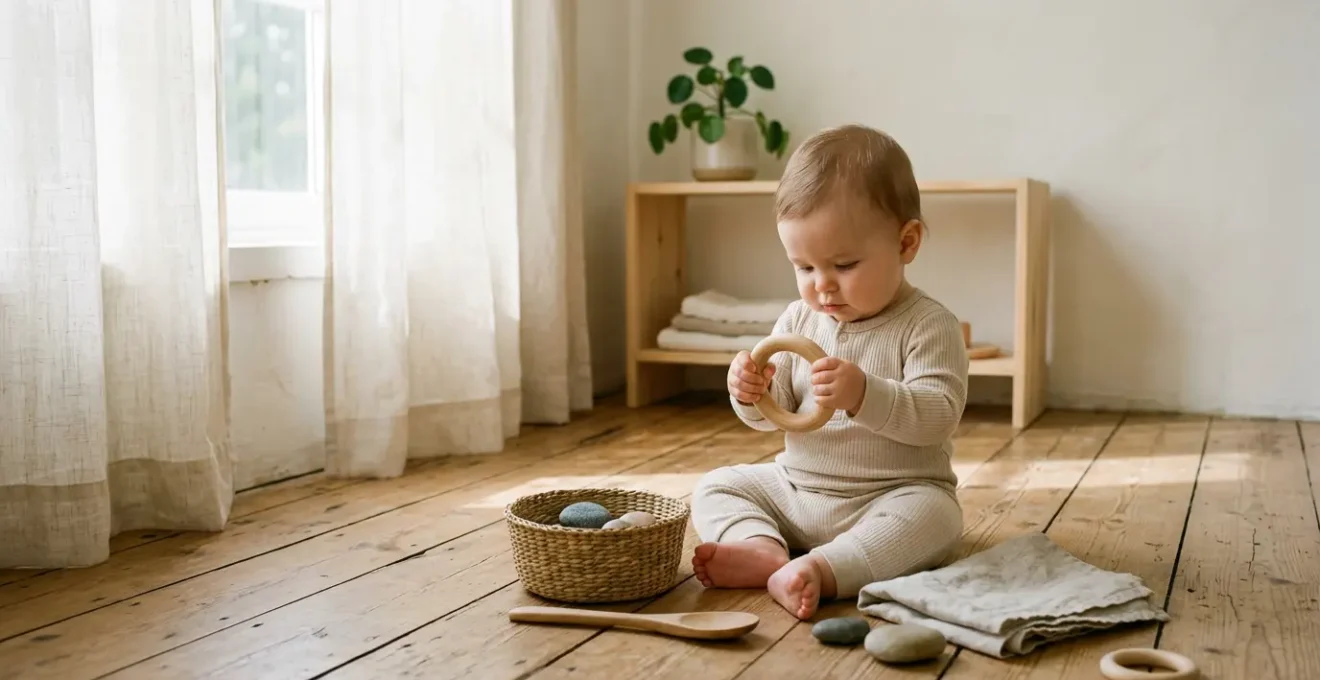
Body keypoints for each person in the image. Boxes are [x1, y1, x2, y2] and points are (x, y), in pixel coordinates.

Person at [689, 124, 969, 620]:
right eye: (803, 267)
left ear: (906, 243)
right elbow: (772, 419)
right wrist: (753, 393)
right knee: (717, 484)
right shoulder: (798, 321)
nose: (822, 287)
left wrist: (865, 393)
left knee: (938, 517)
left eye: (843, 264)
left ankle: (825, 568)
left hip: (890, 497)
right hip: (796, 490)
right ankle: (761, 549)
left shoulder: (929, 325)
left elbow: (938, 416)